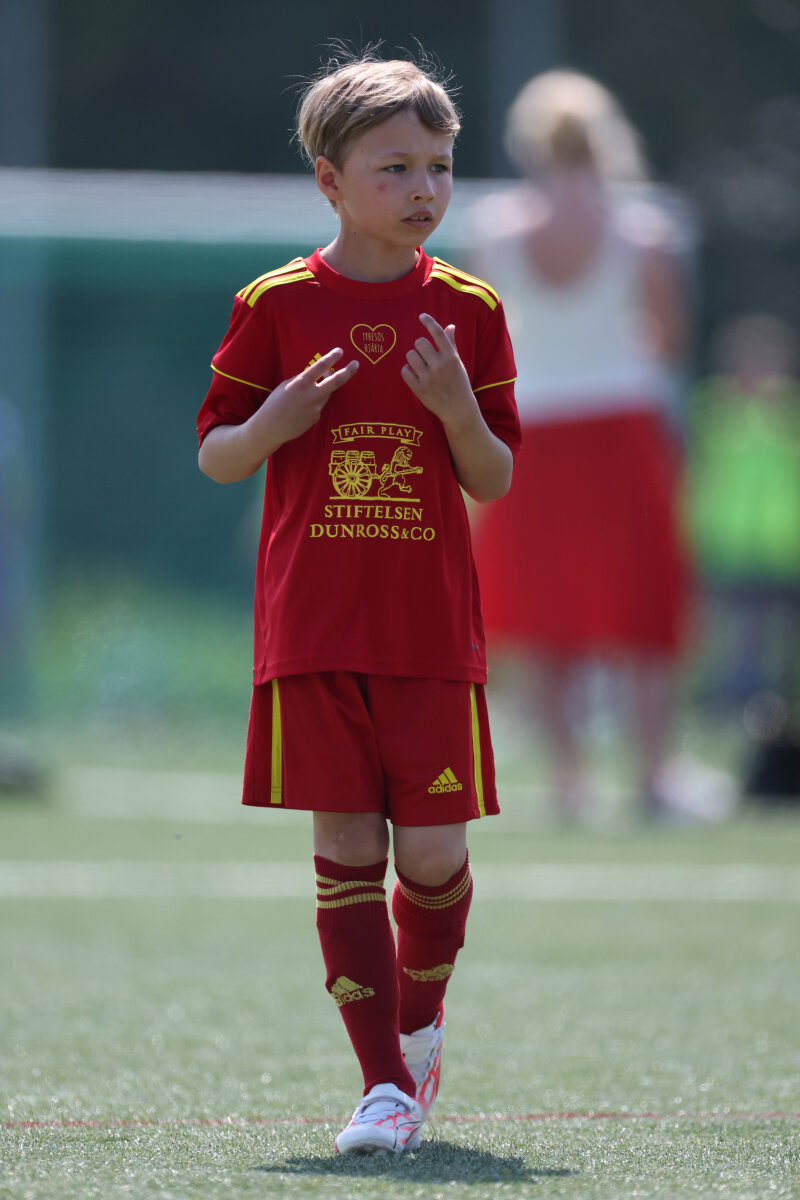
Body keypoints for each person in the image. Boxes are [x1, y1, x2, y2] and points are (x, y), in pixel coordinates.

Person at [196, 49, 519, 1155]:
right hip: (313, 630)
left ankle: (417, 1027)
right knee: (345, 843)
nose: (425, 189)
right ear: (330, 182)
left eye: (439, 166)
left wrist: (455, 411)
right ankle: (382, 1085)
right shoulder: (275, 305)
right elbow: (218, 457)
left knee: (429, 859)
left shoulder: (469, 309)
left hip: (428, 634)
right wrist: (273, 423)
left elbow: (494, 477)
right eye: (396, 168)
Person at [467, 70, 691, 819]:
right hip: (621, 429)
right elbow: (668, 340)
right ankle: (652, 777)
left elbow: (485, 339)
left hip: (533, 430)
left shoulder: (494, 228)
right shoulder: (642, 230)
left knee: (544, 607)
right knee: (641, 606)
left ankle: (570, 781)